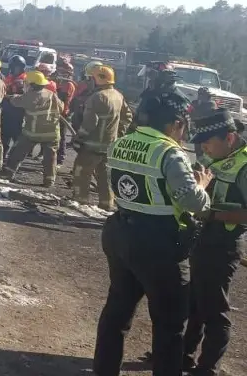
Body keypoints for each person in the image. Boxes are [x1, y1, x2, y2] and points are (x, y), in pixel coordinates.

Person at [93, 91, 212, 376]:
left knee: (117, 311)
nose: (183, 131)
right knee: (170, 324)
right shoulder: (169, 151)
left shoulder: (120, 143)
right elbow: (192, 202)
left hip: (120, 231)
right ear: (174, 123)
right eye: (183, 124)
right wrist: (203, 186)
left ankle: (104, 370)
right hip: (159, 243)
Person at [183, 110, 247, 376]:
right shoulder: (218, 156)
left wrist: (211, 214)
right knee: (194, 303)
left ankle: (208, 367)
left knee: (214, 309)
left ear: (230, 137)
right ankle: (183, 355)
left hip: (223, 244)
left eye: (209, 142)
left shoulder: (244, 165)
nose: (204, 148)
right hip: (203, 239)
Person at [71, 65, 133, 210]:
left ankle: (80, 202)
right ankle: (107, 204)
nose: (89, 82)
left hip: (91, 146)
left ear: (98, 79)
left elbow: (90, 123)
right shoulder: (118, 95)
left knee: (81, 173)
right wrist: (118, 134)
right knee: (105, 177)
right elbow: (127, 117)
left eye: (91, 79)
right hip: (109, 147)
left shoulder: (96, 97)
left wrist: (79, 138)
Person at [0, 70, 63, 187]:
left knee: (18, 151)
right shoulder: (51, 93)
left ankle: (8, 173)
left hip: (33, 132)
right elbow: (61, 106)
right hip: (52, 133)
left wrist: (8, 97)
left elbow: (16, 102)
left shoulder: (31, 96)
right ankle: (49, 181)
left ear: (32, 84)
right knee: (50, 159)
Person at [1, 55, 28, 159]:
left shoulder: (25, 79)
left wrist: (9, 96)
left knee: (18, 138)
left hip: (18, 113)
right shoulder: (9, 78)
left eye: (16, 67)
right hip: (7, 111)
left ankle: (14, 158)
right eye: (13, 66)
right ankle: (3, 156)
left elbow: (23, 97)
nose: (14, 69)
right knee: (4, 136)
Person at [54, 58, 78, 165]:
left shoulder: (68, 85)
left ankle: (61, 158)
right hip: (56, 112)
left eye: (62, 71)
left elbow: (62, 98)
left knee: (61, 137)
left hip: (63, 113)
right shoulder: (60, 82)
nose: (60, 73)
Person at [190, 87, 218, 158]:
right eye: (200, 94)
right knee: (198, 150)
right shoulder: (195, 103)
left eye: (204, 95)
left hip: (208, 131)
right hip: (198, 130)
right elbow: (190, 113)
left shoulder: (211, 104)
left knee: (207, 151)